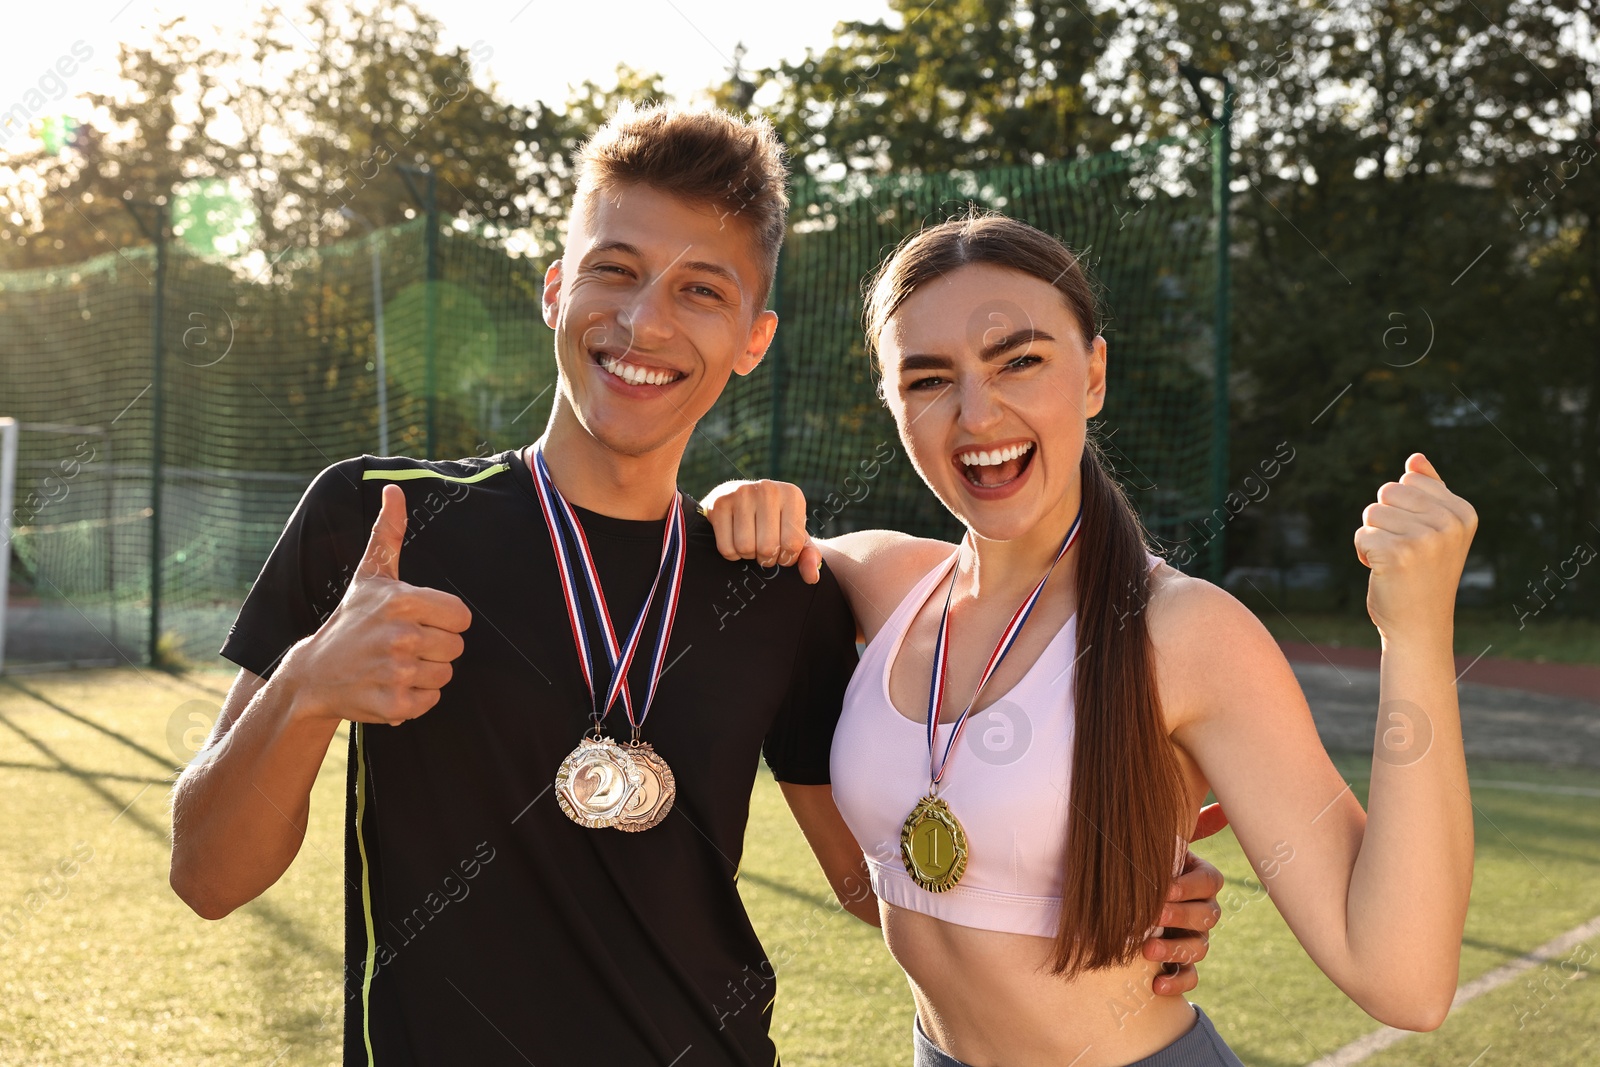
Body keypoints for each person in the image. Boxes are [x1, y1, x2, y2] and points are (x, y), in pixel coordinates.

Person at [166, 106, 1222, 1066]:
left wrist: (1096, 881)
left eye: (700, 291)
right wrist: (310, 683)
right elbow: (208, 875)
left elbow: (874, 881)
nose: (645, 324)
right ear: (554, 289)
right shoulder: (379, 520)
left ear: (752, 340)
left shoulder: (771, 583)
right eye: (614, 271)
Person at [702, 210, 1479, 1067]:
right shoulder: (883, 583)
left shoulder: (1183, 631)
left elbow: (1404, 978)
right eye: (928, 379)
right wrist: (736, 496)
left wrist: (1415, 633)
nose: (975, 413)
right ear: (891, 404)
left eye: (1020, 361)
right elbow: (908, 891)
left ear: (1095, 374)